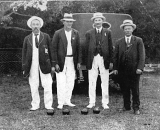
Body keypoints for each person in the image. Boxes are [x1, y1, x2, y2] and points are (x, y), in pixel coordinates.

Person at [22, 16, 54, 114]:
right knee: (33, 85)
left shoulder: (46, 36)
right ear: (30, 26)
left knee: (47, 84)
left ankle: (48, 105)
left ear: (40, 25)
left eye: (37, 24)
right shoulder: (27, 38)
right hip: (32, 64)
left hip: (45, 63)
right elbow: (24, 53)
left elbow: (51, 51)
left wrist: (53, 64)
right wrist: (24, 66)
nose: (35, 26)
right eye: (33, 24)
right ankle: (35, 105)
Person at [113, 19, 145, 115]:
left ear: (132, 30)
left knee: (135, 89)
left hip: (135, 70)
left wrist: (140, 68)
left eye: (129, 29)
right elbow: (115, 56)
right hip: (123, 70)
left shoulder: (138, 40)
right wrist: (115, 68)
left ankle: (136, 107)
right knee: (125, 89)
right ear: (123, 30)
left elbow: (142, 55)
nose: (127, 30)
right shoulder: (119, 42)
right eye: (126, 29)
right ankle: (126, 106)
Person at [51, 13, 82, 109]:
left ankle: (67, 100)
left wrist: (79, 62)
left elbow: (79, 48)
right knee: (61, 82)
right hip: (61, 61)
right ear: (63, 22)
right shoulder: (58, 33)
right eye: (67, 21)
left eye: (71, 22)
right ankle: (60, 102)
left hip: (72, 60)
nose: (69, 23)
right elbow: (53, 49)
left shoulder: (76, 33)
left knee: (70, 81)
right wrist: (55, 63)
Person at [85, 12, 113, 109]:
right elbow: (86, 48)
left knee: (104, 81)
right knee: (92, 81)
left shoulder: (107, 32)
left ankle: (105, 102)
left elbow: (110, 47)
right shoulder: (89, 33)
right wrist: (87, 60)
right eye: (96, 20)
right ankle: (92, 102)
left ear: (102, 21)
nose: (97, 22)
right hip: (92, 58)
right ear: (93, 22)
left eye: (99, 20)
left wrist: (111, 61)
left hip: (103, 58)